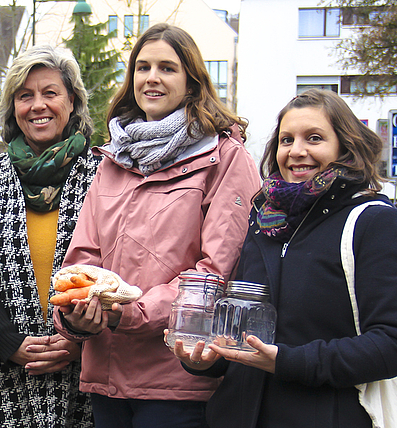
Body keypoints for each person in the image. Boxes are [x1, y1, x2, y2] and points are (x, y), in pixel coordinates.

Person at [175, 89, 397, 428]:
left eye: (315, 138)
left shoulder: (374, 222)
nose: (297, 151)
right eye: (286, 139)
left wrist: (288, 361)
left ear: (345, 146)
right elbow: (240, 335)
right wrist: (207, 360)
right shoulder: (264, 218)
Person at [52, 23, 261, 428]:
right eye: (142, 67)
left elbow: (214, 273)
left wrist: (127, 313)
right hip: (106, 379)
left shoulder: (225, 158)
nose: (151, 77)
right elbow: (83, 261)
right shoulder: (113, 160)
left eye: (167, 68)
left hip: (178, 379)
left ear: (192, 81)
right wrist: (75, 313)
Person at [0, 45, 98, 427]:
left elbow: (121, 267)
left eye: (50, 93)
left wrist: (79, 340)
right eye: (25, 95)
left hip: (84, 368)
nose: (38, 105)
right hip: (6, 371)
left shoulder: (104, 176)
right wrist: (9, 343)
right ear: (13, 108)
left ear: (72, 101)